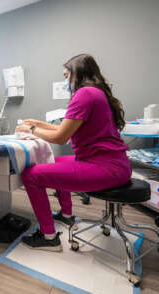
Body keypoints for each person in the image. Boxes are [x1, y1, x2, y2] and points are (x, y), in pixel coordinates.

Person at [16, 54, 131, 251]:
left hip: (106, 168)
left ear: (78, 74)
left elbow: (61, 137)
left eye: (66, 75)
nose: (65, 81)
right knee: (57, 160)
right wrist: (37, 123)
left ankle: (48, 237)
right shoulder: (96, 93)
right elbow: (64, 129)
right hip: (113, 164)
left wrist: (31, 130)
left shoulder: (85, 94)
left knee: (30, 175)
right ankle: (66, 215)